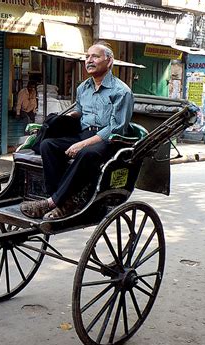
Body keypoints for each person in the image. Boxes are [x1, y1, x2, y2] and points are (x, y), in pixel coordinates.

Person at [20, 42, 134, 220]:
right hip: (83, 134)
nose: (89, 60)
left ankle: (51, 203)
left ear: (109, 61)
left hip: (107, 141)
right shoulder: (83, 88)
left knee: (86, 154)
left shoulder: (121, 91)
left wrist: (82, 144)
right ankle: (64, 201)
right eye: (87, 57)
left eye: (95, 56)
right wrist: (63, 118)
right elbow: (80, 112)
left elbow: (115, 128)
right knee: (48, 145)